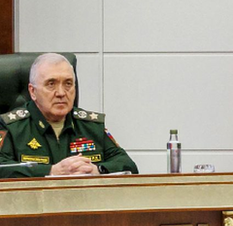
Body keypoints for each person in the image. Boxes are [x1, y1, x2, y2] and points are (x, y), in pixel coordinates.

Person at [0, 53, 138, 178]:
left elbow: (129, 165)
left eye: (68, 84)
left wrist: (97, 170)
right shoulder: (11, 127)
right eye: (51, 84)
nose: (61, 93)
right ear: (32, 91)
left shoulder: (91, 126)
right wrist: (51, 171)